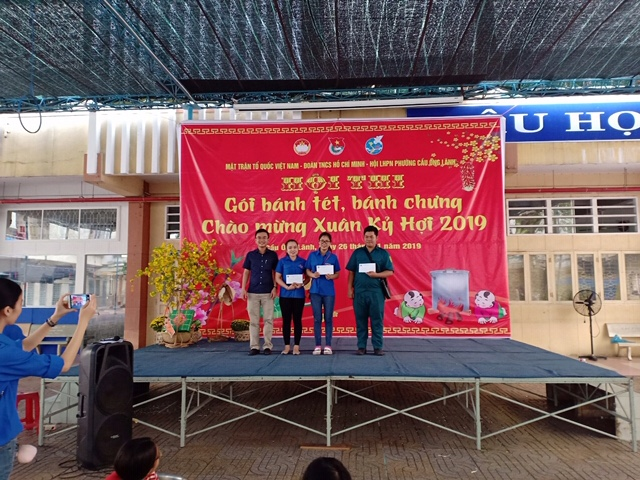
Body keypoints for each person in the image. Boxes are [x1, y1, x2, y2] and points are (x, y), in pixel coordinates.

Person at [0, 278, 97, 480]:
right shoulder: (5, 353)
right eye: (21, 302)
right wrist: (83, 322)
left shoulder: (5, 344)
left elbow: (23, 347)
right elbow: (64, 364)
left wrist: (55, 317)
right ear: (8, 310)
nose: (21, 307)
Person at [346, 226, 394, 356]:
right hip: (359, 292)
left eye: (371, 237)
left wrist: (376, 275)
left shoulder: (383, 253)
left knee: (377, 320)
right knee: (360, 320)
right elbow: (351, 272)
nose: (369, 239)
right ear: (363, 238)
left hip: (376, 293)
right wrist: (349, 289)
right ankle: (361, 346)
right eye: (366, 237)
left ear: (377, 238)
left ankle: (378, 347)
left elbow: (390, 271)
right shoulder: (358, 253)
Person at [241, 228, 279, 355]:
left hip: (268, 292)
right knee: (254, 321)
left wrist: (275, 287)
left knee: (268, 320)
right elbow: (246, 272)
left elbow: (276, 272)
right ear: (255, 240)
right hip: (253, 292)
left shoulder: (273, 255)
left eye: (264, 238)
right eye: (259, 238)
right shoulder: (251, 255)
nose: (262, 240)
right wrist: (243, 288)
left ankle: (267, 346)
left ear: (268, 239)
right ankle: (254, 347)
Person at [305, 232, 341, 355]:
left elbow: (338, 273)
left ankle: (328, 345)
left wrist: (332, 276)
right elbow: (307, 270)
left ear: (330, 243)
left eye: (326, 241)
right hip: (315, 291)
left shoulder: (333, 257)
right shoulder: (312, 255)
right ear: (318, 242)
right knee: (317, 318)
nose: (324, 243)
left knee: (329, 318)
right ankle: (317, 345)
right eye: (322, 241)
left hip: (329, 292)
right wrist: (312, 274)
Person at [275, 239, 307, 355]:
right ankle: (287, 346)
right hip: (285, 295)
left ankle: (296, 346)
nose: (292, 250)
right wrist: (286, 287)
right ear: (286, 249)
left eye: (294, 247)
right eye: (290, 248)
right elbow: (277, 277)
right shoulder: (282, 262)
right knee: (286, 321)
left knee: (297, 320)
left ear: (298, 248)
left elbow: (308, 277)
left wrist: (302, 284)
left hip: (299, 295)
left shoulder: (303, 262)